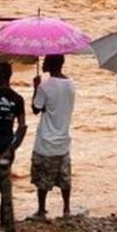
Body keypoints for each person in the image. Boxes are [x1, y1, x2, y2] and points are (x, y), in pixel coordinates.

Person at [31, 55, 75, 219]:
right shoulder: (70, 84)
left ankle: (42, 210)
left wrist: (36, 88)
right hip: (63, 138)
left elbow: (36, 109)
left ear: (50, 64)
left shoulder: (45, 86)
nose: (42, 63)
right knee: (64, 179)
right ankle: (66, 209)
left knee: (42, 179)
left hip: (46, 140)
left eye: (45, 61)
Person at [0, 62, 27, 232]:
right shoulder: (17, 99)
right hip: (8, 151)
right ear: (10, 76)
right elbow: (22, 127)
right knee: (6, 191)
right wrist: (11, 149)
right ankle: (8, 230)